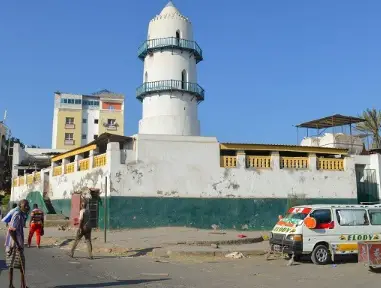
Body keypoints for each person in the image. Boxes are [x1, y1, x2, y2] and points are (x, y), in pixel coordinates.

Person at [5, 199, 30, 288]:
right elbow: (11, 231)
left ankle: (12, 285)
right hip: (14, 245)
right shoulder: (18, 215)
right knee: (21, 265)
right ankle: (22, 286)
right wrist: (18, 244)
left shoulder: (20, 214)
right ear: (20, 206)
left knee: (11, 265)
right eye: (25, 205)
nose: (27, 207)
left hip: (11, 244)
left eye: (27, 205)